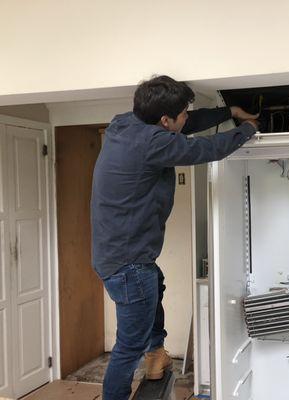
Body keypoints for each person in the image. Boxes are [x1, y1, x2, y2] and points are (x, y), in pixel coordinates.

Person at [90, 75, 258, 400]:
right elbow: (208, 147)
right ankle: (137, 370)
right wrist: (249, 129)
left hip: (119, 255)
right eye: (181, 114)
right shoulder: (155, 143)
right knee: (128, 347)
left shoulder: (123, 124)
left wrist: (230, 111)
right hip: (128, 264)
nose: (186, 118)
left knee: (155, 282)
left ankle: (156, 356)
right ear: (165, 121)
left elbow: (188, 123)